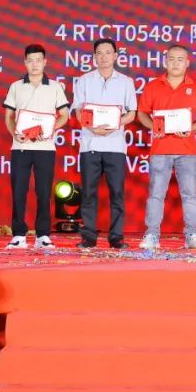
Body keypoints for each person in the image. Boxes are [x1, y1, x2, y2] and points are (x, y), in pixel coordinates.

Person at [136, 44, 196, 250]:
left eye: (180, 59)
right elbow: (142, 113)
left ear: (187, 63)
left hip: (187, 150)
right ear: (165, 62)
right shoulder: (153, 86)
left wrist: (191, 128)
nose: (175, 63)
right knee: (156, 194)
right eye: (171, 59)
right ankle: (152, 234)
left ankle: (192, 235)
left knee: (190, 195)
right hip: (160, 149)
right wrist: (154, 127)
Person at [70, 38, 138, 249]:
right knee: (88, 193)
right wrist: (92, 127)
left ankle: (116, 237)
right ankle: (88, 237)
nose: (104, 57)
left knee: (117, 193)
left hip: (115, 146)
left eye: (108, 52)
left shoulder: (126, 82)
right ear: (94, 57)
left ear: (115, 56)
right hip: (90, 144)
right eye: (99, 53)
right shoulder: (84, 80)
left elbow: (132, 113)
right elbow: (79, 111)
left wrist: (115, 124)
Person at [3, 44, 69, 250]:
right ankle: (18, 235)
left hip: (45, 148)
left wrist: (49, 129)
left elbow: (64, 115)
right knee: (19, 191)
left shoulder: (55, 87)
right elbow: (9, 116)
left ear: (45, 62)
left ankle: (43, 235)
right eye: (30, 61)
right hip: (20, 146)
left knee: (44, 192)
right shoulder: (16, 86)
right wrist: (15, 133)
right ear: (25, 62)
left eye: (38, 60)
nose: (34, 64)